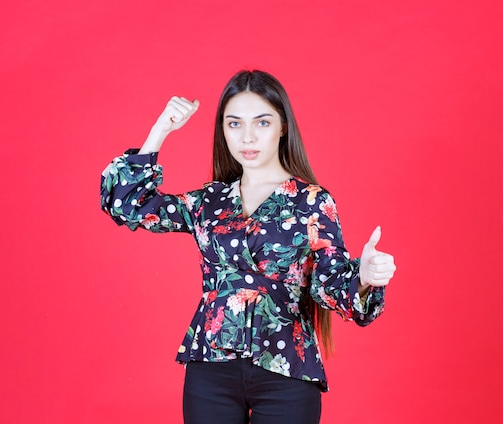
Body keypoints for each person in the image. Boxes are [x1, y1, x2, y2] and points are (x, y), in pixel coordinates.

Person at [100, 70, 396, 424]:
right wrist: (160, 129)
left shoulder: (313, 202)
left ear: (283, 127)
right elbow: (128, 204)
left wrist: (363, 277)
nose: (248, 137)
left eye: (262, 122)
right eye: (234, 124)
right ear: (222, 130)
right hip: (211, 370)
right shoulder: (209, 201)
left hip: (287, 371)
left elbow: (330, 287)